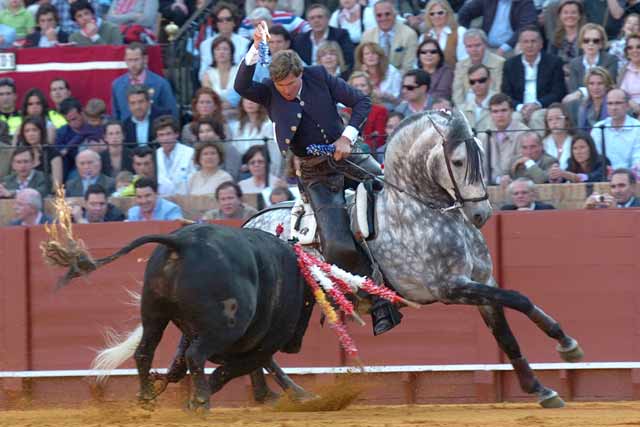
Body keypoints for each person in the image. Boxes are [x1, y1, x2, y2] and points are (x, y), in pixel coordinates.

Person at [235, 21, 400, 336]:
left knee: (394, 193)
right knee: (337, 241)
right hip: (315, 172)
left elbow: (361, 101)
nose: (285, 91)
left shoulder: (317, 76)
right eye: (280, 86)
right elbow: (241, 86)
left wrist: (348, 137)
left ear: (299, 74)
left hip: (348, 154)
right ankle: (379, 302)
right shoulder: (270, 90)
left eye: (290, 85)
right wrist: (256, 46)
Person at [501, 26, 567, 127]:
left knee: (536, 117)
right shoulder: (510, 65)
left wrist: (537, 104)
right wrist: (520, 107)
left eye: (533, 41)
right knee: (515, 118)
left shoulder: (554, 62)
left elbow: (558, 92)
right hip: (519, 108)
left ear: (541, 44)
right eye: (525, 42)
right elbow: (506, 94)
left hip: (543, 107)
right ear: (520, 45)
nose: (529, 45)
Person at [111, 43, 178, 121]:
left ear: (145, 59)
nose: (133, 64)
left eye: (136, 60)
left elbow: (172, 114)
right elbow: (116, 116)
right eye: (129, 60)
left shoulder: (160, 84)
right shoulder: (117, 85)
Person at [480, 93, 529, 185]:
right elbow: (482, 170)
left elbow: (524, 169)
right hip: (490, 188)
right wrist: (498, 179)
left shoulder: (524, 134)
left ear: (511, 111)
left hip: (518, 186)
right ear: (490, 114)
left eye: (504, 110)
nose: (500, 115)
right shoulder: (484, 136)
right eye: (495, 111)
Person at [457, 0, 538, 57]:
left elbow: (526, 27)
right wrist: (470, 34)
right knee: (462, 34)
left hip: (511, 48)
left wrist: (503, 49)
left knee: (524, 46)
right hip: (486, 46)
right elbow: (464, 13)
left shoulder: (525, 2)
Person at [199, 2, 251, 82]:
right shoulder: (205, 45)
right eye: (220, 20)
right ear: (216, 23)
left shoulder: (245, 43)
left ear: (234, 22)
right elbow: (202, 73)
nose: (224, 22)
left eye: (228, 19)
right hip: (212, 85)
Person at [360, 0, 418, 73]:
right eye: (379, 15)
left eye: (387, 14)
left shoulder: (409, 34)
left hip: (401, 79)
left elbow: (408, 67)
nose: (383, 18)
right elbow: (363, 65)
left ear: (395, 14)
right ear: (375, 17)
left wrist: (391, 80)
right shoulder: (367, 36)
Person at [291, 3, 354, 69]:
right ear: (308, 22)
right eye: (312, 18)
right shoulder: (300, 39)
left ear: (328, 19)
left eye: (320, 17)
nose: (316, 21)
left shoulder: (341, 35)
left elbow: (348, 60)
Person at [590, 88, 640, 170]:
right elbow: (595, 158)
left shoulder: (638, 128)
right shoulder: (598, 128)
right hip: (603, 178)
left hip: (632, 179)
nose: (613, 107)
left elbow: (638, 160)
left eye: (618, 103)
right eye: (610, 103)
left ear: (627, 106)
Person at [452, 29, 505, 105]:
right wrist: (462, 110)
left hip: (491, 107)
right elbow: (457, 93)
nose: (474, 50)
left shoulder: (499, 63)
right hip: (466, 108)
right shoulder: (460, 65)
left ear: (485, 45)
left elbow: (498, 91)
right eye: (469, 46)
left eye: (477, 45)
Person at [565, 24, 618, 96]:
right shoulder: (575, 63)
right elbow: (573, 90)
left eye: (595, 41)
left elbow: (608, 86)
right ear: (581, 43)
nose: (591, 44)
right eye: (586, 40)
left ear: (601, 44)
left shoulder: (611, 60)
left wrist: (582, 92)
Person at [228, 97, 277, 170]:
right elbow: (235, 150)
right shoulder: (237, 126)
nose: (250, 102)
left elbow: (274, 152)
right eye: (246, 99)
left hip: (263, 167)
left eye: (253, 99)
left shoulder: (268, 124)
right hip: (241, 167)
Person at [154, 115, 196, 196]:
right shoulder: (154, 156)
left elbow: (195, 181)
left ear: (176, 134)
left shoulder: (190, 153)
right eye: (161, 135)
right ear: (157, 138)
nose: (165, 138)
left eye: (168, 134)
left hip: (186, 201)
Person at [17, 116, 63, 189]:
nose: (31, 134)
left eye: (34, 130)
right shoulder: (20, 153)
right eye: (27, 131)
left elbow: (57, 185)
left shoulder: (53, 153)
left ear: (42, 132)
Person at [348, 71, 388, 152]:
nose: (359, 88)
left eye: (363, 85)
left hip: (371, 152)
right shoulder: (345, 111)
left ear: (370, 88)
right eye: (355, 86)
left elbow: (380, 137)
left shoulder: (380, 110)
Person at [354, 41, 402, 109]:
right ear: (362, 58)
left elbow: (398, 100)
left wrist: (385, 95)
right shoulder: (359, 74)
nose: (370, 56)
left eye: (374, 53)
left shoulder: (393, 72)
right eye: (367, 54)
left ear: (380, 56)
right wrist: (364, 74)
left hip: (390, 108)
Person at [420, 0, 467, 66]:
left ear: (448, 13)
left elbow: (464, 61)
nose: (436, 16)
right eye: (432, 14)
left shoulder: (460, 32)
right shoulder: (423, 37)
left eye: (440, 13)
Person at [201, 36, 241, 110]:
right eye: (217, 49)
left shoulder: (240, 72)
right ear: (213, 53)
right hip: (215, 114)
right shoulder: (207, 75)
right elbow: (209, 99)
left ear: (231, 52)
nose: (221, 52)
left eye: (225, 49)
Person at [459, 64, 495, 133]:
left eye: (481, 80)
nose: (477, 84)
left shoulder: (500, 106)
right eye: (472, 82)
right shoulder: (462, 109)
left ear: (490, 80)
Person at [547, 0, 585, 64]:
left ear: (580, 15)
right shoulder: (554, 37)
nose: (569, 16)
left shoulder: (586, 36)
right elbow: (550, 61)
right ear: (560, 16)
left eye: (573, 12)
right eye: (565, 13)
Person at [541, 103, 573, 171]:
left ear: (566, 120)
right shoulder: (542, 144)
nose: (554, 122)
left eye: (558, 118)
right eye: (550, 119)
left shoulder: (574, 141)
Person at [617, 33, 640, 112]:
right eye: (630, 48)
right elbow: (619, 93)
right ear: (626, 52)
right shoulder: (623, 70)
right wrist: (629, 101)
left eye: (638, 47)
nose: (635, 50)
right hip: (628, 111)